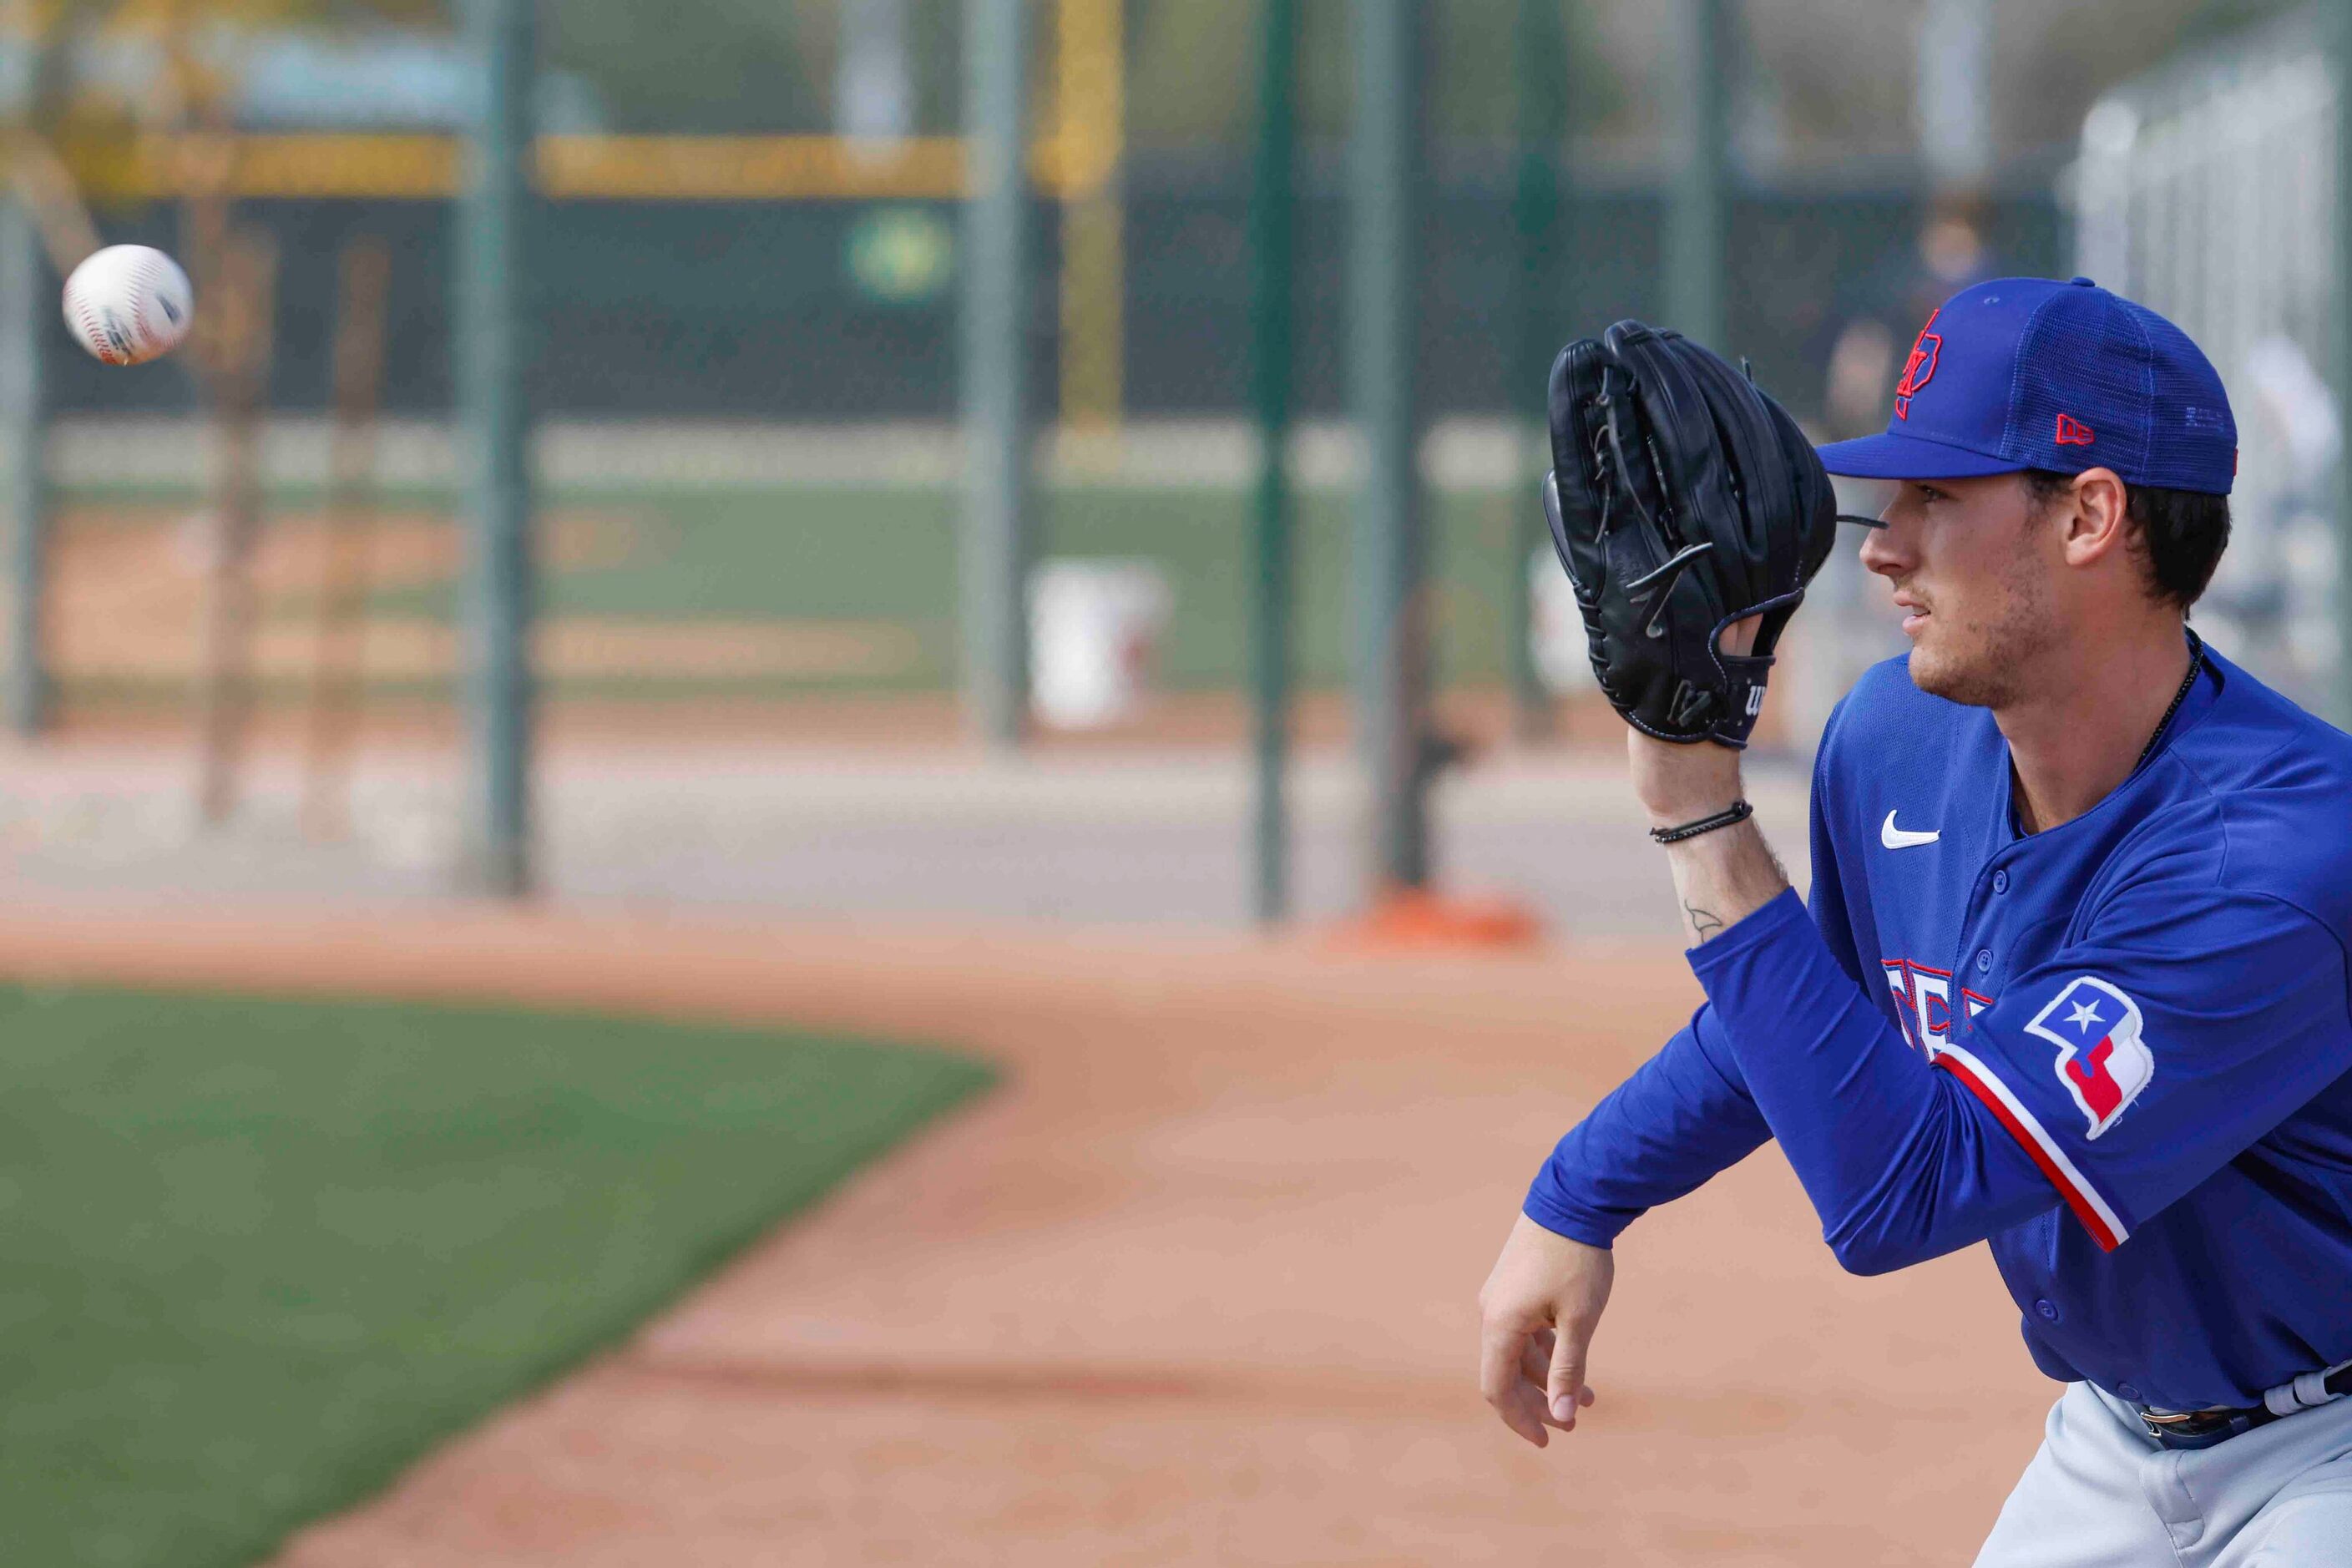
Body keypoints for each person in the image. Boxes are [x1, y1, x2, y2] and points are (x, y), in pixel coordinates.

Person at [1478, 276, 2352, 1565]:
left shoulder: (2270, 860)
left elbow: (1905, 1189)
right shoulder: (1897, 735)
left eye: (1936, 500)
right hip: (2116, 1437)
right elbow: (1817, 1005)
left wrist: (1693, 806)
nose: (1880, 545)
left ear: (2089, 516)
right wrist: (1576, 1195)